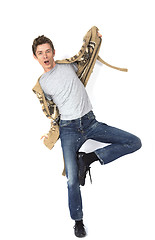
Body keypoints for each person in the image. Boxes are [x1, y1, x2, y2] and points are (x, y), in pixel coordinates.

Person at [32, 31, 142, 238]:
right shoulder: (42, 84)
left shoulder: (67, 66)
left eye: (48, 51)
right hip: (68, 129)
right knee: (72, 180)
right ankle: (78, 221)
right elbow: (51, 112)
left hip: (90, 122)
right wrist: (49, 134)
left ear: (53, 52)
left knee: (134, 142)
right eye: (40, 53)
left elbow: (86, 57)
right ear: (35, 57)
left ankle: (89, 158)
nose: (45, 56)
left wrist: (96, 39)